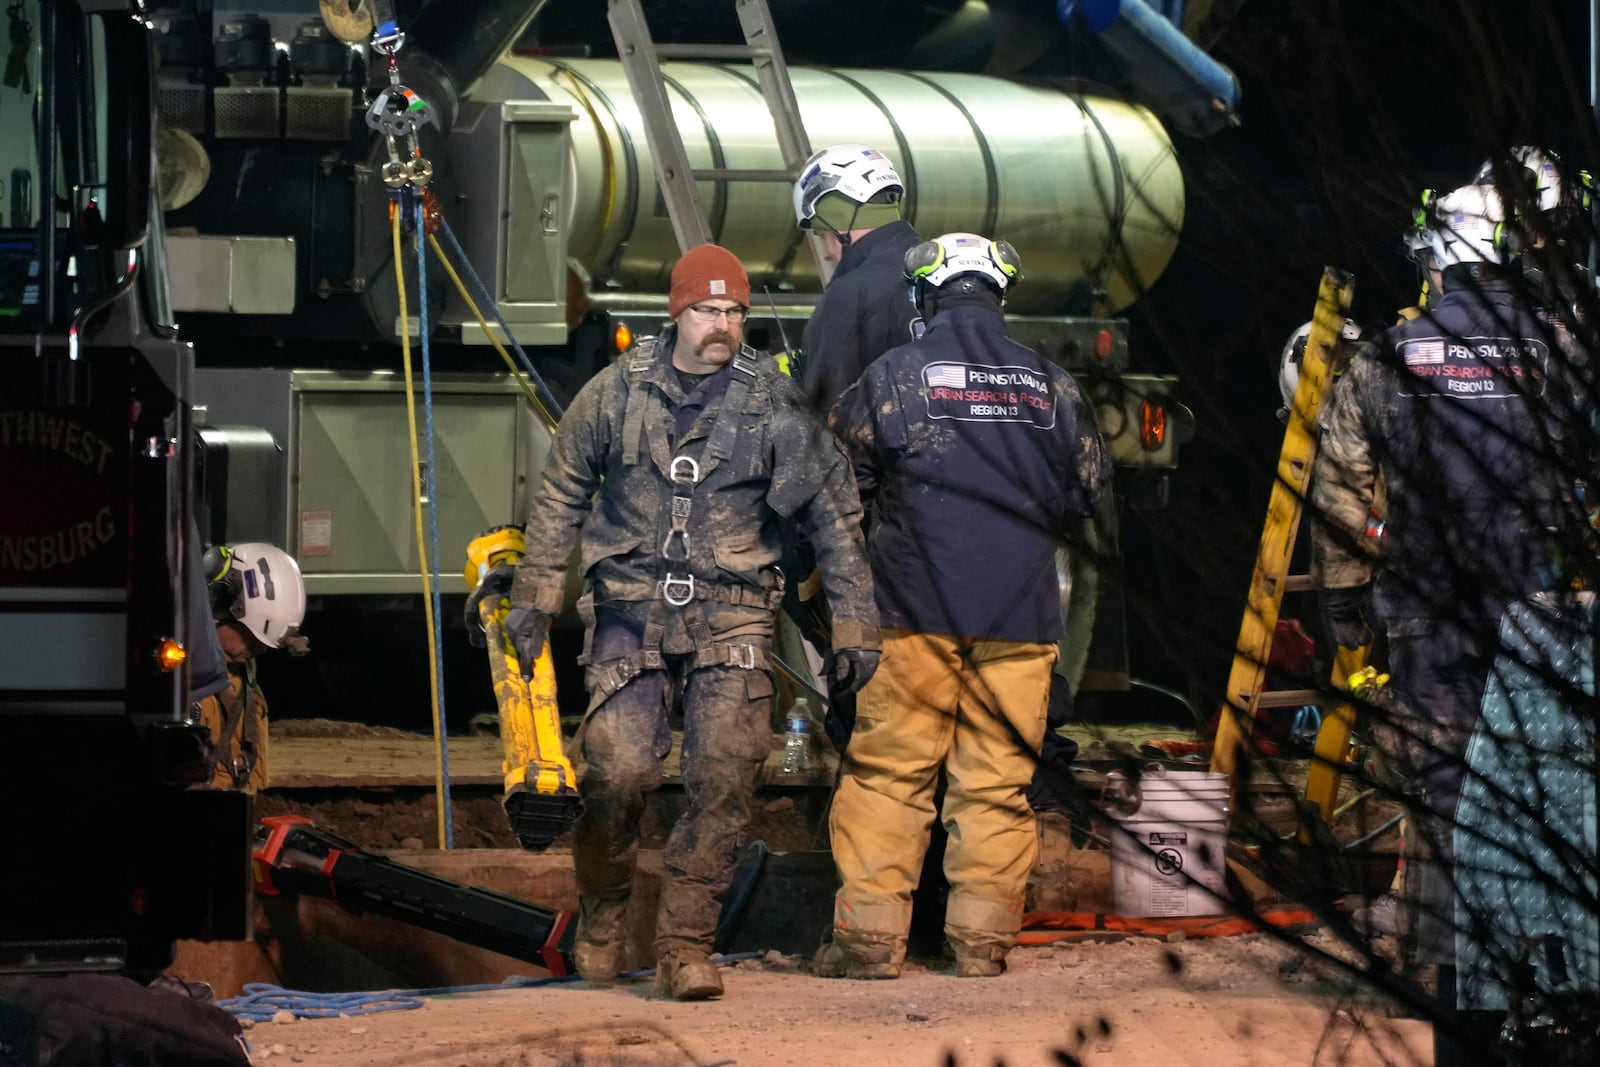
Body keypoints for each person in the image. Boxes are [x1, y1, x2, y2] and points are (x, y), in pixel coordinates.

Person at [503, 242, 880, 1000]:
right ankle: (604, 912)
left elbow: (835, 516)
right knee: (616, 769)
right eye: (709, 310)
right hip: (628, 608)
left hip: (735, 615)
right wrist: (536, 594)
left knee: (724, 776)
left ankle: (685, 945)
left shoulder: (775, 407)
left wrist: (854, 624)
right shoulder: (615, 393)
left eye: (735, 311)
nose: (723, 325)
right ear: (678, 311)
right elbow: (563, 488)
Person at [1311, 183, 1590, 1064]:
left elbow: (1340, 483)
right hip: (1546, 627)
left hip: (1431, 619)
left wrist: (1345, 593)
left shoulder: (1389, 358)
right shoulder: (1563, 349)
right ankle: (1558, 980)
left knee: (1440, 800)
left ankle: (1446, 980)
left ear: (1440, 255)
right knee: (1557, 793)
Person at [815, 232, 1112, 980]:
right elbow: (1097, 504)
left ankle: (868, 945)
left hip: (912, 615)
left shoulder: (893, 378)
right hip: (1020, 627)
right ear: (998, 298)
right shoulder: (1055, 387)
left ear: (927, 299)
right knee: (996, 785)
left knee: (891, 778)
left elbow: (835, 494)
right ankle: (980, 947)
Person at [791, 143, 924, 413]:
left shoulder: (850, 295)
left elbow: (825, 421)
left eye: (821, 234)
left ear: (838, 223)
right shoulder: (948, 275)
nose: (827, 254)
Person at [193, 542, 309, 792]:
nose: (260, 650)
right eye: (253, 639)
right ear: (218, 614)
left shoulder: (237, 669)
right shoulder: (182, 679)